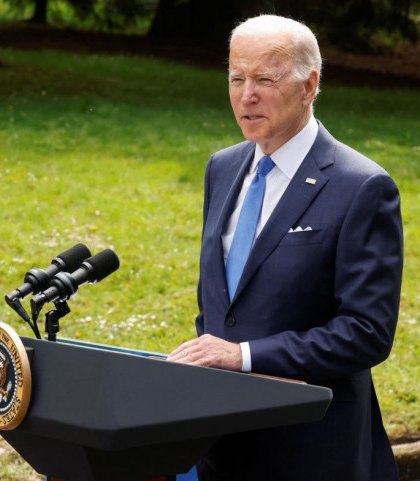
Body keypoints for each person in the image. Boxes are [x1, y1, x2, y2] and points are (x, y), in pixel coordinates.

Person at [167, 14, 403, 481]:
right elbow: (218, 304)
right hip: (221, 441)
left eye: (264, 80)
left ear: (309, 85)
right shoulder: (223, 167)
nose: (245, 95)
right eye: (236, 78)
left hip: (309, 445)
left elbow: (366, 332)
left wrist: (245, 356)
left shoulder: (362, 186)